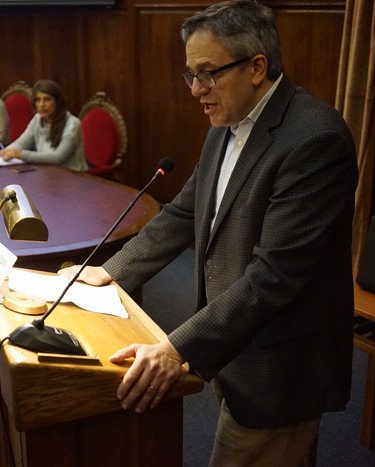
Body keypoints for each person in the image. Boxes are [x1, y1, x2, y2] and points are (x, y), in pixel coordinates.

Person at [59, 1, 358, 465]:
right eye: (190, 75)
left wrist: (175, 349)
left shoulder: (313, 139)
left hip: (280, 366)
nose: (196, 90)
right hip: (233, 345)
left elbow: (273, 277)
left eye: (207, 73)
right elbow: (183, 212)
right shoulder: (225, 123)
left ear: (256, 67)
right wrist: (111, 271)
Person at [0, 79, 87, 172]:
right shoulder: (38, 118)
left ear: (57, 102)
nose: (42, 104)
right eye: (38, 100)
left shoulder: (73, 124)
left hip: (72, 176)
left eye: (47, 99)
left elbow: (58, 157)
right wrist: (7, 151)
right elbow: (22, 143)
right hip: (46, 171)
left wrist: (21, 154)